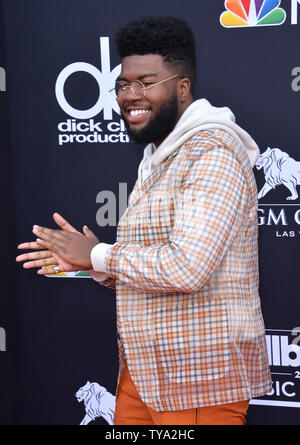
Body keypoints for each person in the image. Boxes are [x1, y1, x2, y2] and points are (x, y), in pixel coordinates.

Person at [16, 16, 272, 425]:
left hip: (200, 382)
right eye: (123, 83)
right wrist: (95, 265)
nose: (129, 95)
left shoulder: (213, 151)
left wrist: (99, 253)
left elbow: (188, 268)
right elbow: (159, 266)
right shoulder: (159, 154)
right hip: (145, 375)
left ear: (182, 86)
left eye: (146, 82)